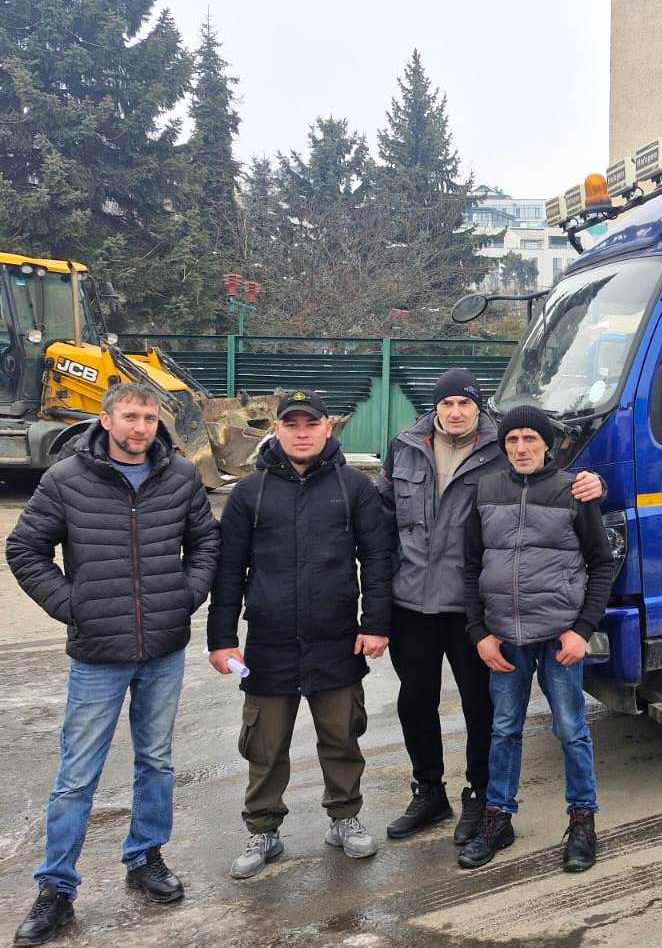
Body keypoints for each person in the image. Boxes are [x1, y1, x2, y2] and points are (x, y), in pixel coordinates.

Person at [5, 383, 219, 945]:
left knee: (156, 761)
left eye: (148, 417)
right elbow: (25, 549)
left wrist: (184, 596)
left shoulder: (180, 476)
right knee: (77, 776)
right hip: (98, 654)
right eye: (129, 416)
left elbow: (206, 544)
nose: (140, 427)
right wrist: (71, 605)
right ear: (106, 419)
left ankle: (145, 857)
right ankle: (56, 888)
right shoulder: (66, 479)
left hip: (164, 649)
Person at [378, 369, 603, 844]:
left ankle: (482, 797)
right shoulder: (404, 446)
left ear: (478, 407)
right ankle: (428, 792)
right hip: (412, 599)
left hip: (471, 606)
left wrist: (594, 482)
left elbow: (557, 479)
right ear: (435, 407)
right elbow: (379, 513)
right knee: (415, 701)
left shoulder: (501, 445)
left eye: (465, 403)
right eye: (447, 403)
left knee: (483, 707)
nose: (456, 412)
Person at [207, 389, 395, 879]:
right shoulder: (250, 492)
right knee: (265, 745)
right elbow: (229, 570)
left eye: (311, 423)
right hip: (268, 644)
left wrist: (376, 623)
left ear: (328, 427)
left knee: (342, 737)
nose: (302, 433)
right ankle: (263, 829)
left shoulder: (354, 488)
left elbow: (378, 560)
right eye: (292, 424)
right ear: (278, 429)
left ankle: (344, 817)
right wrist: (221, 638)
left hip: (337, 639)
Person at [458, 405, 616, 873]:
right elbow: (470, 566)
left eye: (530, 438)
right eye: (512, 440)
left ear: (547, 444)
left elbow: (602, 564)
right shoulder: (486, 491)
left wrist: (581, 631)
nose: (521, 448)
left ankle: (582, 821)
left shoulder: (573, 491)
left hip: (558, 637)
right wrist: (479, 632)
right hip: (505, 637)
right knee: (504, 729)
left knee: (571, 729)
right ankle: (498, 818)